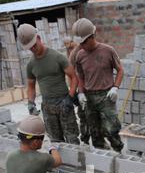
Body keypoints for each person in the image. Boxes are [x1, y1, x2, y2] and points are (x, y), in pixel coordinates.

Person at [17, 23, 79, 144]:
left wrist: (70, 97)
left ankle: (77, 162)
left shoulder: (57, 57)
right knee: (55, 140)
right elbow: (31, 86)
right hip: (47, 105)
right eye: (30, 48)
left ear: (39, 38)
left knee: (72, 138)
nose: (33, 49)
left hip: (64, 102)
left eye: (34, 45)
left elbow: (73, 77)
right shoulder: (31, 65)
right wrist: (30, 103)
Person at [72, 18, 124, 152]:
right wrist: (81, 92)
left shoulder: (108, 51)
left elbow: (120, 70)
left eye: (84, 42)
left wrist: (115, 87)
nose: (81, 46)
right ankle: (102, 155)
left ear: (92, 37)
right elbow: (80, 76)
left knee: (111, 129)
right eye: (80, 43)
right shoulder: (80, 55)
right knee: (94, 131)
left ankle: (118, 152)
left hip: (106, 95)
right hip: (89, 97)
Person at [63, 35, 90, 144]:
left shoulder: (80, 49)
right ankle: (85, 138)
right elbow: (70, 74)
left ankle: (96, 138)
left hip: (88, 85)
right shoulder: (71, 52)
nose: (67, 47)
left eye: (68, 44)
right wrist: (73, 91)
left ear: (72, 41)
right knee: (83, 114)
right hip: (78, 87)